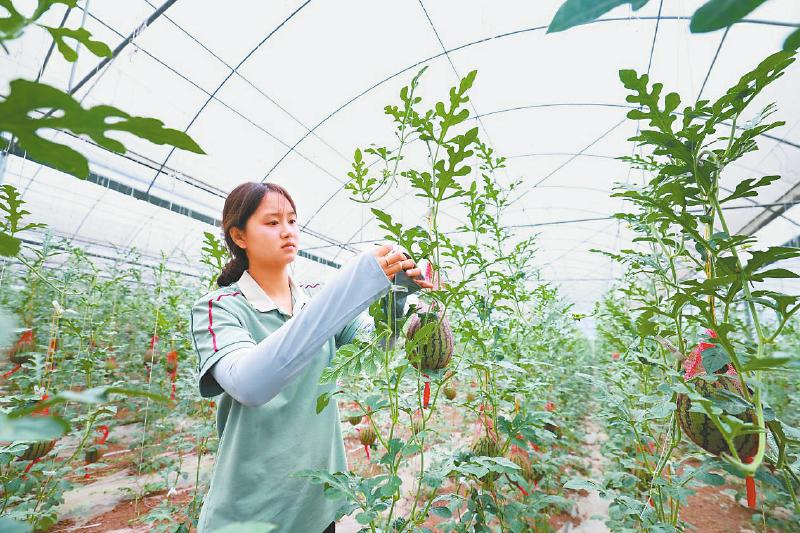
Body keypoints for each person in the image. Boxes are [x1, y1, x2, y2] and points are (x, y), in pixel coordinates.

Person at [189, 182, 433, 532]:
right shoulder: (218, 309)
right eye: (272, 222)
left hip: (316, 506)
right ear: (239, 236)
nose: (287, 230)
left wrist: (396, 297)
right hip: (253, 511)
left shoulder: (314, 300)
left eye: (292, 220)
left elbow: (375, 346)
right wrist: (351, 285)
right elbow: (250, 384)